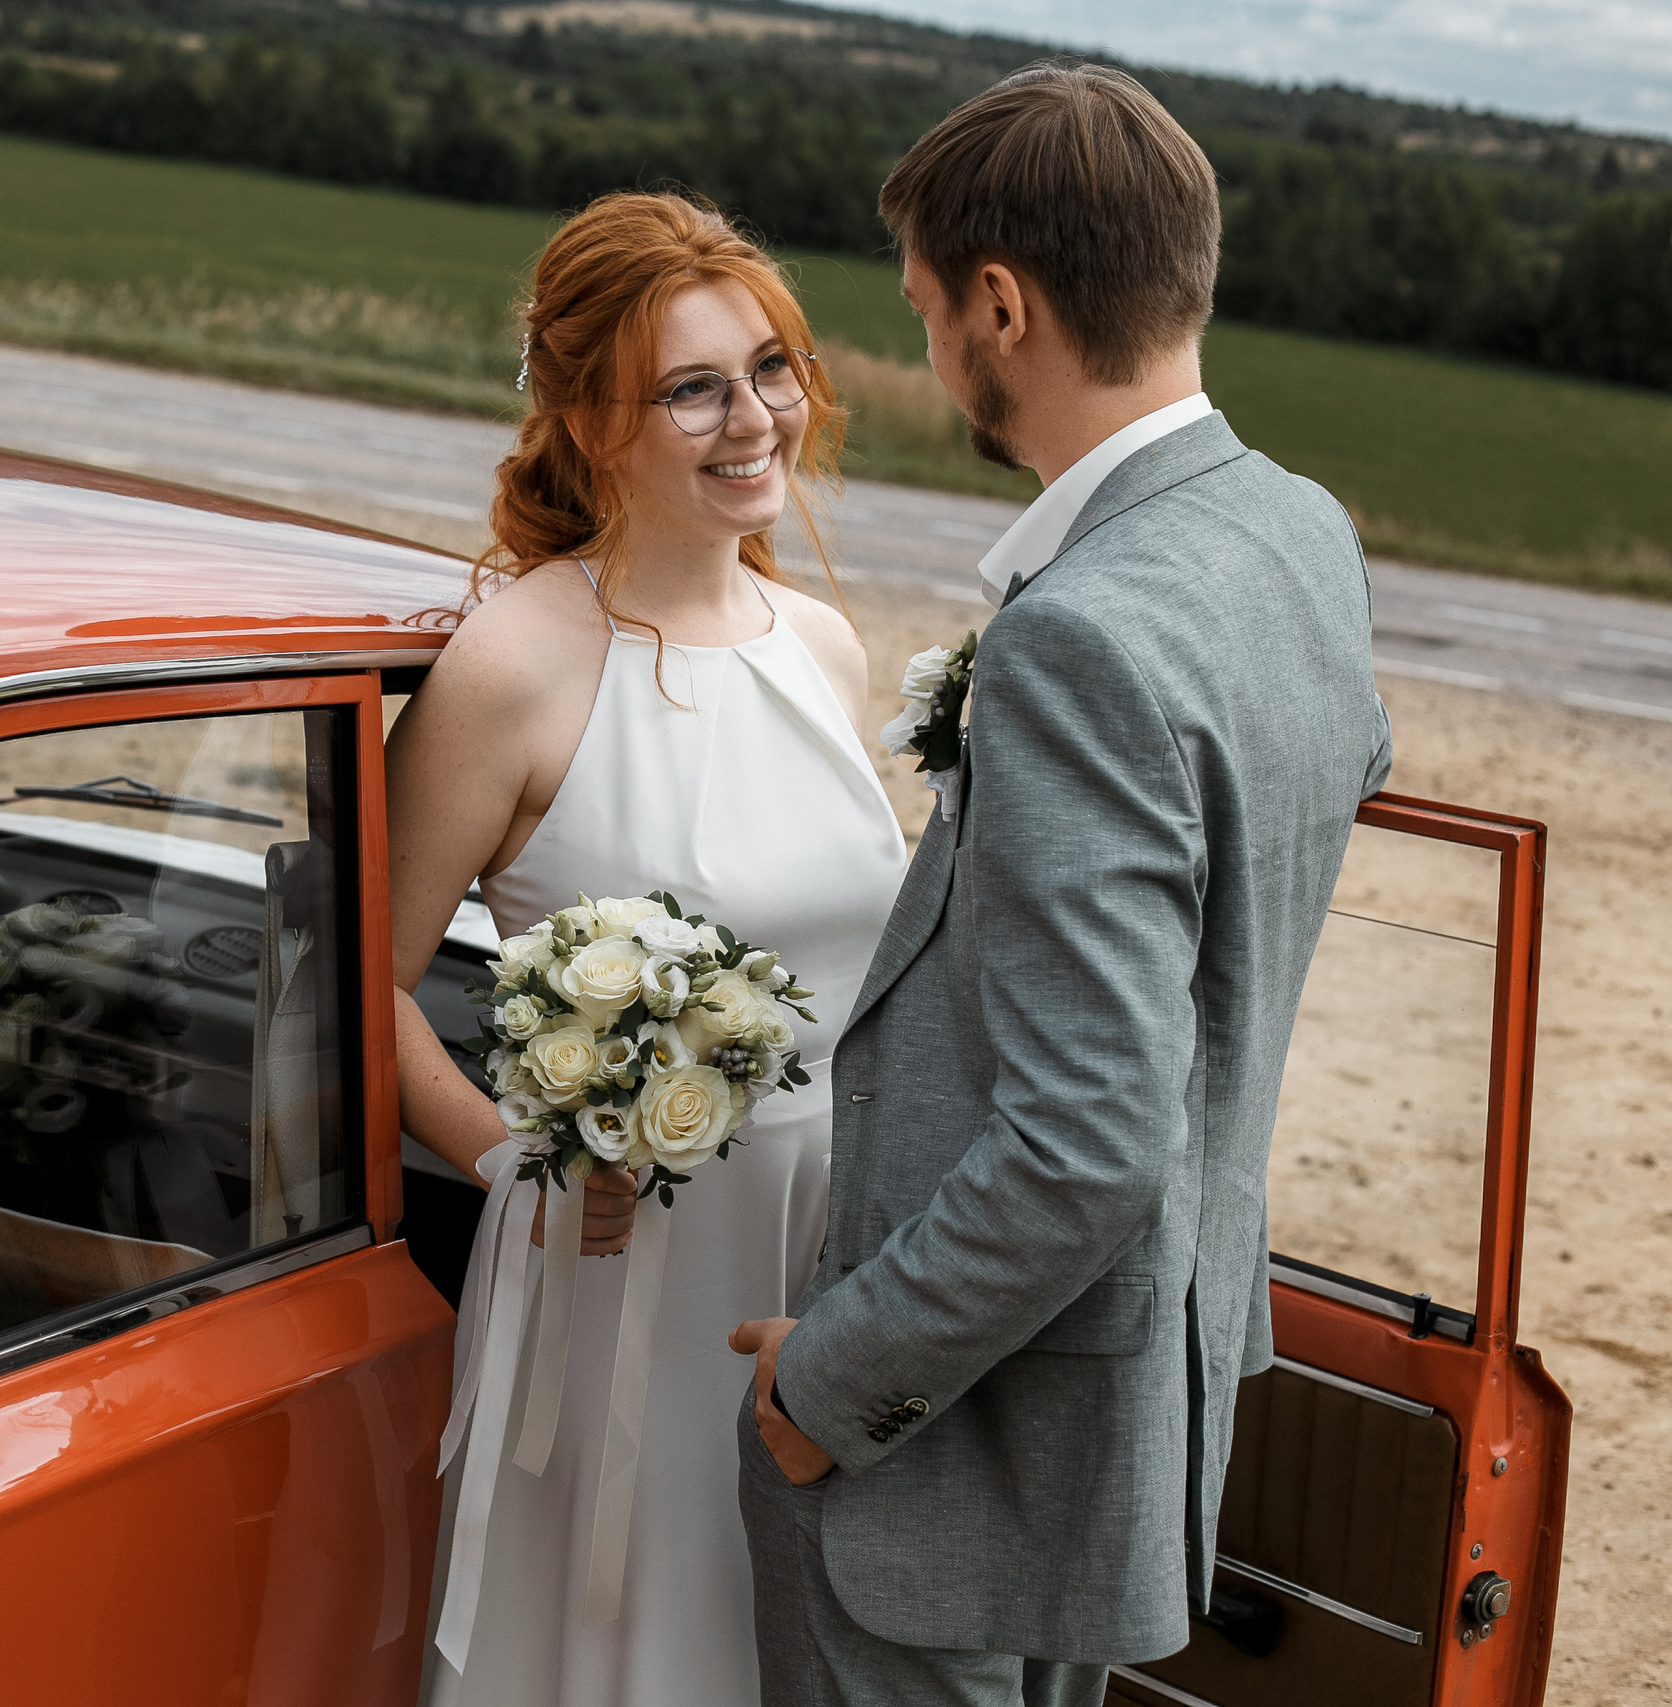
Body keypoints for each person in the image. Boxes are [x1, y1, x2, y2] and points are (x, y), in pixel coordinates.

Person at [727, 64, 1397, 1707]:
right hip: (1136, 1389)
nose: (932, 340)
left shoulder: (1083, 638)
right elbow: (1300, 834)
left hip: (959, 1432)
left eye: (927, 303)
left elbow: (1091, 1139)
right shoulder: (1297, 530)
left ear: (1002, 306)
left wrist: (831, 1387)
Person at [386, 192, 909, 1707]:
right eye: (692, 387)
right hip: (617, 1271)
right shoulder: (514, 667)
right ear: (586, 418)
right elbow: (366, 991)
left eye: (771, 370)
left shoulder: (820, 646)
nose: (752, 421)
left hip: (820, 1260)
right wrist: (517, 1169)